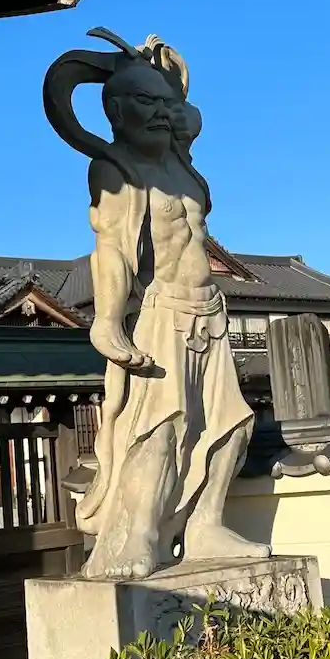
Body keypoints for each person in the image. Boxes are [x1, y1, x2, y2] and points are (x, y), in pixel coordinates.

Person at [74, 57, 271, 579]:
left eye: (166, 104)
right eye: (146, 102)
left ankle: (206, 524)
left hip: (211, 310)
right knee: (161, 425)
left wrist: (164, 77)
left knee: (233, 424)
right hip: (162, 311)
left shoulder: (180, 164)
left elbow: (189, 115)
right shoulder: (116, 169)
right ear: (117, 112)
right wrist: (106, 320)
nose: (162, 113)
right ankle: (138, 534)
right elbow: (111, 247)